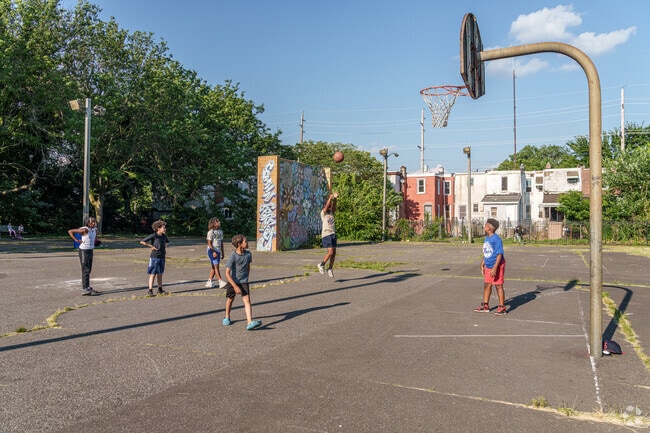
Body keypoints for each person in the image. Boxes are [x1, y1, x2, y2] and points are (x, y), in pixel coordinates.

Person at [221, 234, 262, 330]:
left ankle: (249, 322)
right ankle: (227, 316)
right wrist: (235, 286)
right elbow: (227, 273)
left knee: (247, 300)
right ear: (239, 244)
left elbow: (248, 267)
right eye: (245, 241)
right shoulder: (233, 256)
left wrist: (246, 278)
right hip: (233, 281)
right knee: (230, 299)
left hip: (244, 281)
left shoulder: (248, 254)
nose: (247, 243)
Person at [474, 218, 507, 315]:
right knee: (487, 284)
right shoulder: (487, 238)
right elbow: (487, 252)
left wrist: (495, 268)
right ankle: (485, 305)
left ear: (490, 228)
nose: (484, 226)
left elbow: (499, 254)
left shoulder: (497, 240)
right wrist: (482, 262)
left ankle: (502, 307)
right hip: (488, 265)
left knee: (498, 285)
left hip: (497, 265)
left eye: (486, 225)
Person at [68, 217, 100, 296]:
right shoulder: (85, 230)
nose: (94, 223)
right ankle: (85, 288)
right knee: (85, 269)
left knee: (89, 269)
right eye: (92, 222)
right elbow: (70, 231)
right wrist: (76, 240)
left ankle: (88, 287)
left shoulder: (95, 230)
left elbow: (93, 238)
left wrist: (96, 241)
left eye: (95, 222)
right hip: (83, 251)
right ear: (88, 223)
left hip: (90, 250)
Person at [139, 220, 170, 297]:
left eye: (165, 227)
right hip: (154, 257)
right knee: (153, 274)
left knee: (160, 274)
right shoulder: (154, 235)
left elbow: (167, 242)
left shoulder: (164, 236)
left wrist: (163, 248)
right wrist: (151, 246)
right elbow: (142, 241)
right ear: (158, 228)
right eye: (163, 228)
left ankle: (160, 289)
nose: (165, 229)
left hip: (162, 256)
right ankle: (150, 290)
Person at [317, 192, 338, 278]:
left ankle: (330, 268)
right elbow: (326, 206)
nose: (330, 207)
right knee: (331, 251)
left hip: (333, 234)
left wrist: (335, 199)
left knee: (334, 253)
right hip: (326, 234)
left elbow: (334, 206)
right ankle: (321, 265)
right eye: (329, 206)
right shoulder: (323, 214)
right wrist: (330, 197)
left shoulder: (331, 214)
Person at [205, 217, 226, 288]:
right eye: (218, 221)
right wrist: (213, 251)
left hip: (218, 250)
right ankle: (220, 281)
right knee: (216, 266)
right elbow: (209, 243)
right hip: (212, 251)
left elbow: (221, 243)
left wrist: (222, 252)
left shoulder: (220, 232)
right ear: (213, 223)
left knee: (213, 267)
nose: (219, 222)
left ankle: (209, 281)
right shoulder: (211, 232)